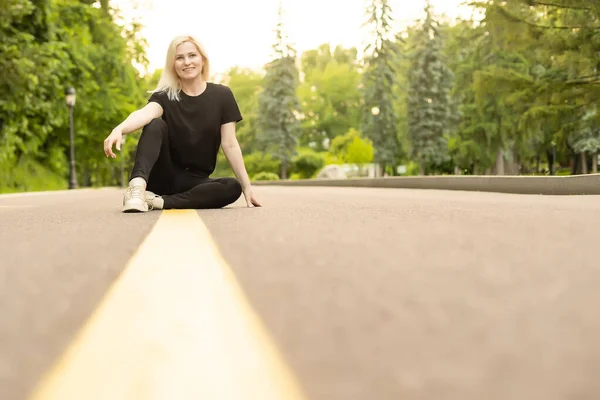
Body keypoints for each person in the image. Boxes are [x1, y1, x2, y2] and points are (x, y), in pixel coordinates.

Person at [103, 35, 261, 212]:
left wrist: (247, 186)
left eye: (192, 55)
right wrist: (120, 129)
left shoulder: (222, 96)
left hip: (194, 182)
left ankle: (158, 202)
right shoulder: (165, 96)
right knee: (155, 124)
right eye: (179, 57)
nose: (187, 62)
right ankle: (137, 189)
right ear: (173, 64)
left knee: (232, 186)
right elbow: (144, 114)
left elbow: (230, 144)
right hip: (162, 176)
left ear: (202, 59)